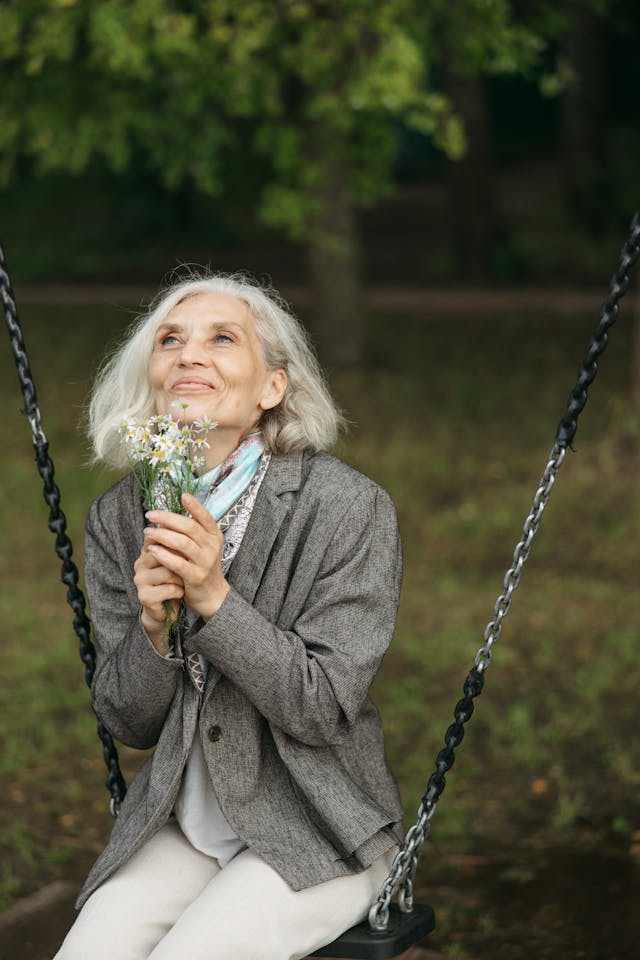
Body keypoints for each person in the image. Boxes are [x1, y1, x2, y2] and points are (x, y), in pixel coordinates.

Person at [54, 272, 404, 960]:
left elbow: (325, 708)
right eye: (170, 340)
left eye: (222, 338)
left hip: (317, 831)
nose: (189, 355)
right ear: (153, 377)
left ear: (272, 387)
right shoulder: (122, 517)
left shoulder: (345, 510)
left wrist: (213, 598)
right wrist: (153, 634)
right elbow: (128, 722)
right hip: (187, 832)